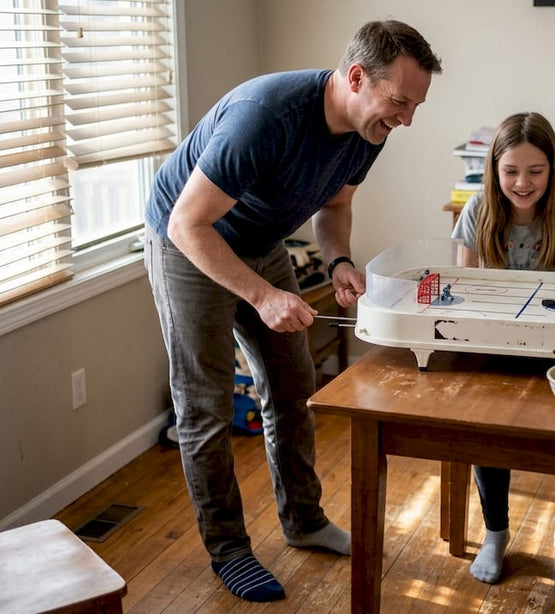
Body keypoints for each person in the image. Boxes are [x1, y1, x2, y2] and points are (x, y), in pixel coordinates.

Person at [143, 20, 441, 603]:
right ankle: (228, 549)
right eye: (399, 102)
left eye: (415, 105)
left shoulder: (369, 130)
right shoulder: (266, 117)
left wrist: (338, 264)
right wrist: (261, 295)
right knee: (202, 405)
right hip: (187, 240)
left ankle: (303, 521)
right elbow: (187, 223)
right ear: (356, 78)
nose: (406, 119)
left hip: (259, 241)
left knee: (292, 383)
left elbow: (334, 204)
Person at [450, 111, 555, 584]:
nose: (522, 182)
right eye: (511, 170)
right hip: (494, 347)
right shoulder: (477, 210)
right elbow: (464, 292)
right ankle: (495, 532)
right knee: (485, 423)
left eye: (535, 171)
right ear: (494, 168)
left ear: (554, 168)